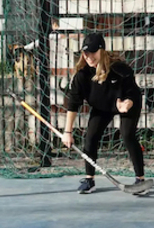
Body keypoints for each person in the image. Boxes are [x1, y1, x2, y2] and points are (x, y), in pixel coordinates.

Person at [62, 33, 148, 194]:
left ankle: (140, 179)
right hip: (102, 106)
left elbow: (132, 92)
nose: (89, 57)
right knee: (91, 136)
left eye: (93, 52)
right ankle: (89, 179)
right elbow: (74, 103)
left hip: (126, 104)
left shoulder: (119, 69)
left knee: (127, 134)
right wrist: (67, 132)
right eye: (86, 53)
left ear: (102, 51)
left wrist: (125, 105)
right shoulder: (82, 75)